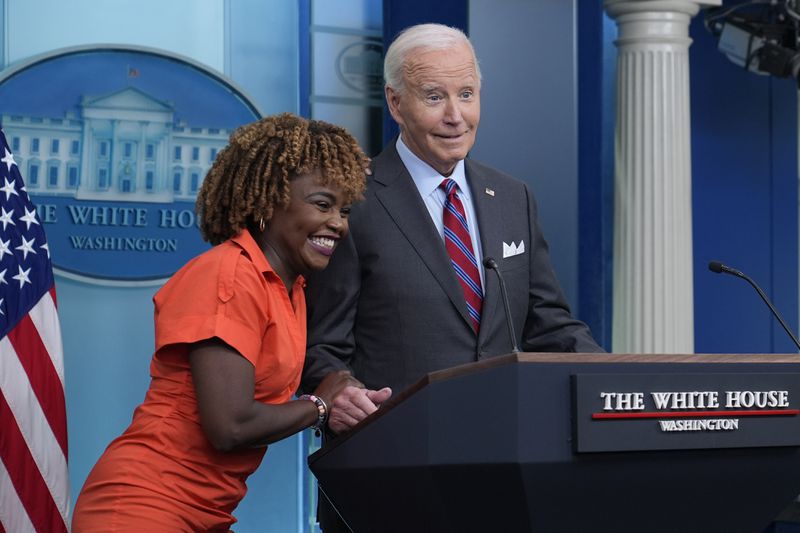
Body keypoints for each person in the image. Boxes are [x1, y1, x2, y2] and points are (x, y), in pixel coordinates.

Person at [301, 23, 603, 529]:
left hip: (502, 475)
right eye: (434, 97)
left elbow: (550, 326)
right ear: (396, 104)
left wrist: (612, 382)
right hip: (390, 477)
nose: (455, 116)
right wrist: (336, 392)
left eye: (466, 94)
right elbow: (317, 341)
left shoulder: (513, 198)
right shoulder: (351, 201)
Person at [71, 113, 370, 532]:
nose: (338, 223)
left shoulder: (292, 287)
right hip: (143, 506)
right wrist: (319, 405)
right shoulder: (228, 274)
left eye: (344, 210)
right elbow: (229, 426)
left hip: (203, 513)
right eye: (322, 204)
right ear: (268, 202)